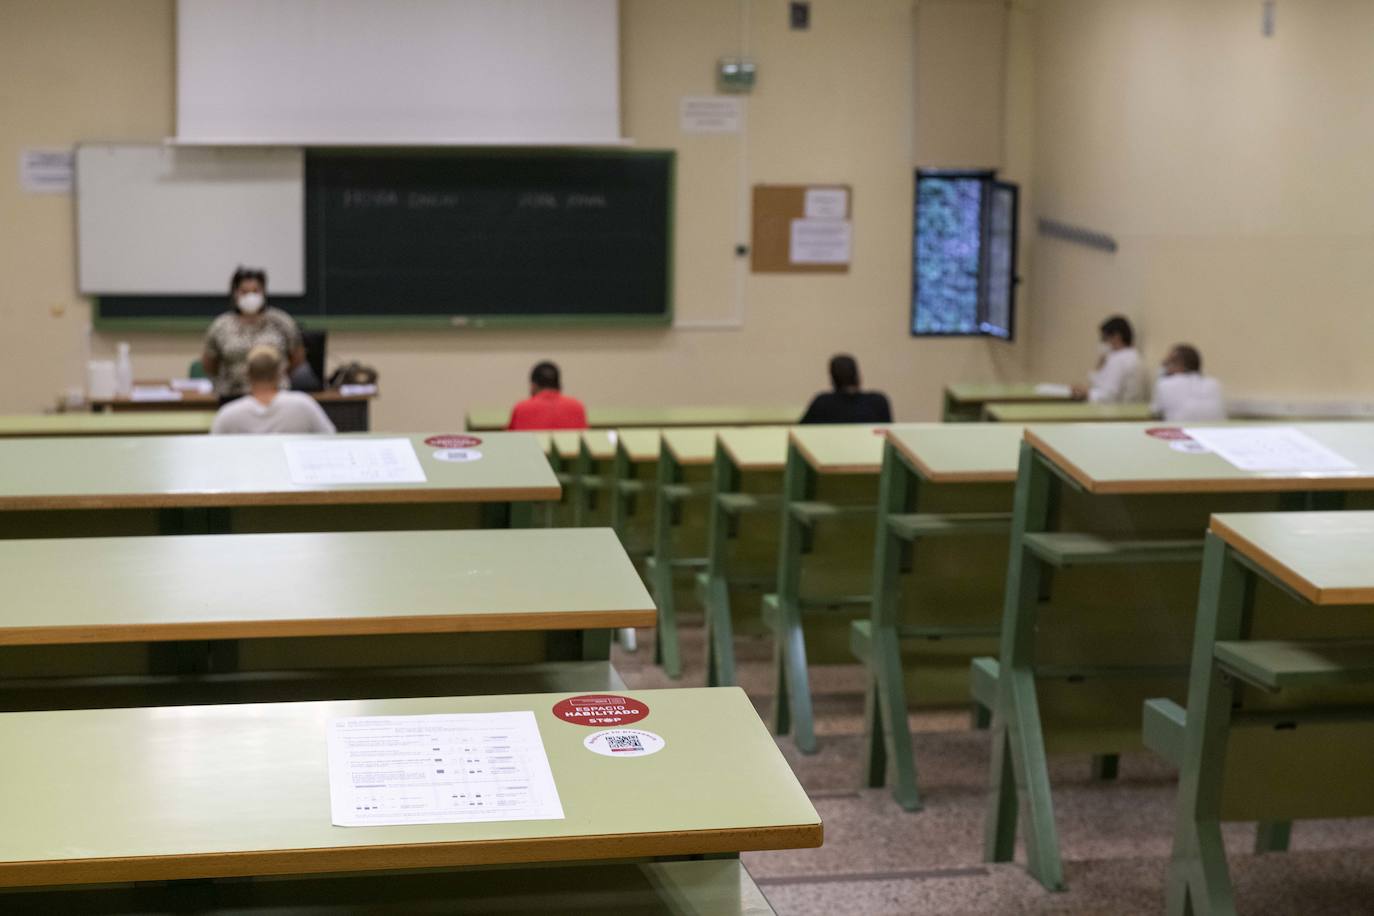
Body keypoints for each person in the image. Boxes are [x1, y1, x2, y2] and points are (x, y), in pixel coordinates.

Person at [202, 267, 307, 403]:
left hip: (275, 396)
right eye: (244, 292)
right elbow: (210, 364)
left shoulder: (281, 322)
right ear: (235, 293)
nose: (250, 296)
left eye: (255, 291)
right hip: (233, 396)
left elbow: (297, 357)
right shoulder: (221, 326)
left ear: (263, 293)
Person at [211, 345, 336, 434]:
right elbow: (331, 438)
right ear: (280, 373)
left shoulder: (228, 414)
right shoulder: (304, 405)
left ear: (247, 374)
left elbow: (213, 453)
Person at [1071, 315, 1146, 403]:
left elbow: (1109, 396)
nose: (1103, 342)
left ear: (1117, 337)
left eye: (1104, 338)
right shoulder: (1129, 356)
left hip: (1118, 411)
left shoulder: (1121, 359)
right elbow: (1100, 385)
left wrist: (1086, 393)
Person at [800, 354, 892, 424]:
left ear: (832, 379)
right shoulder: (878, 402)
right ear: (858, 377)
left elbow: (801, 433)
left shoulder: (822, 403)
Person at [1151, 344, 1225, 422]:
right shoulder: (1214, 383)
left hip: (1180, 432)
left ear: (1178, 364)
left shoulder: (1164, 384)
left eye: (1167, 362)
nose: (1165, 366)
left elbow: (1155, 412)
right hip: (1216, 432)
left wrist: (1161, 375)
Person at [507, 361, 588, 431]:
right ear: (559, 385)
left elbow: (510, 441)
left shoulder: (521, 408)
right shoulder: (577, 407)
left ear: (533, 386)